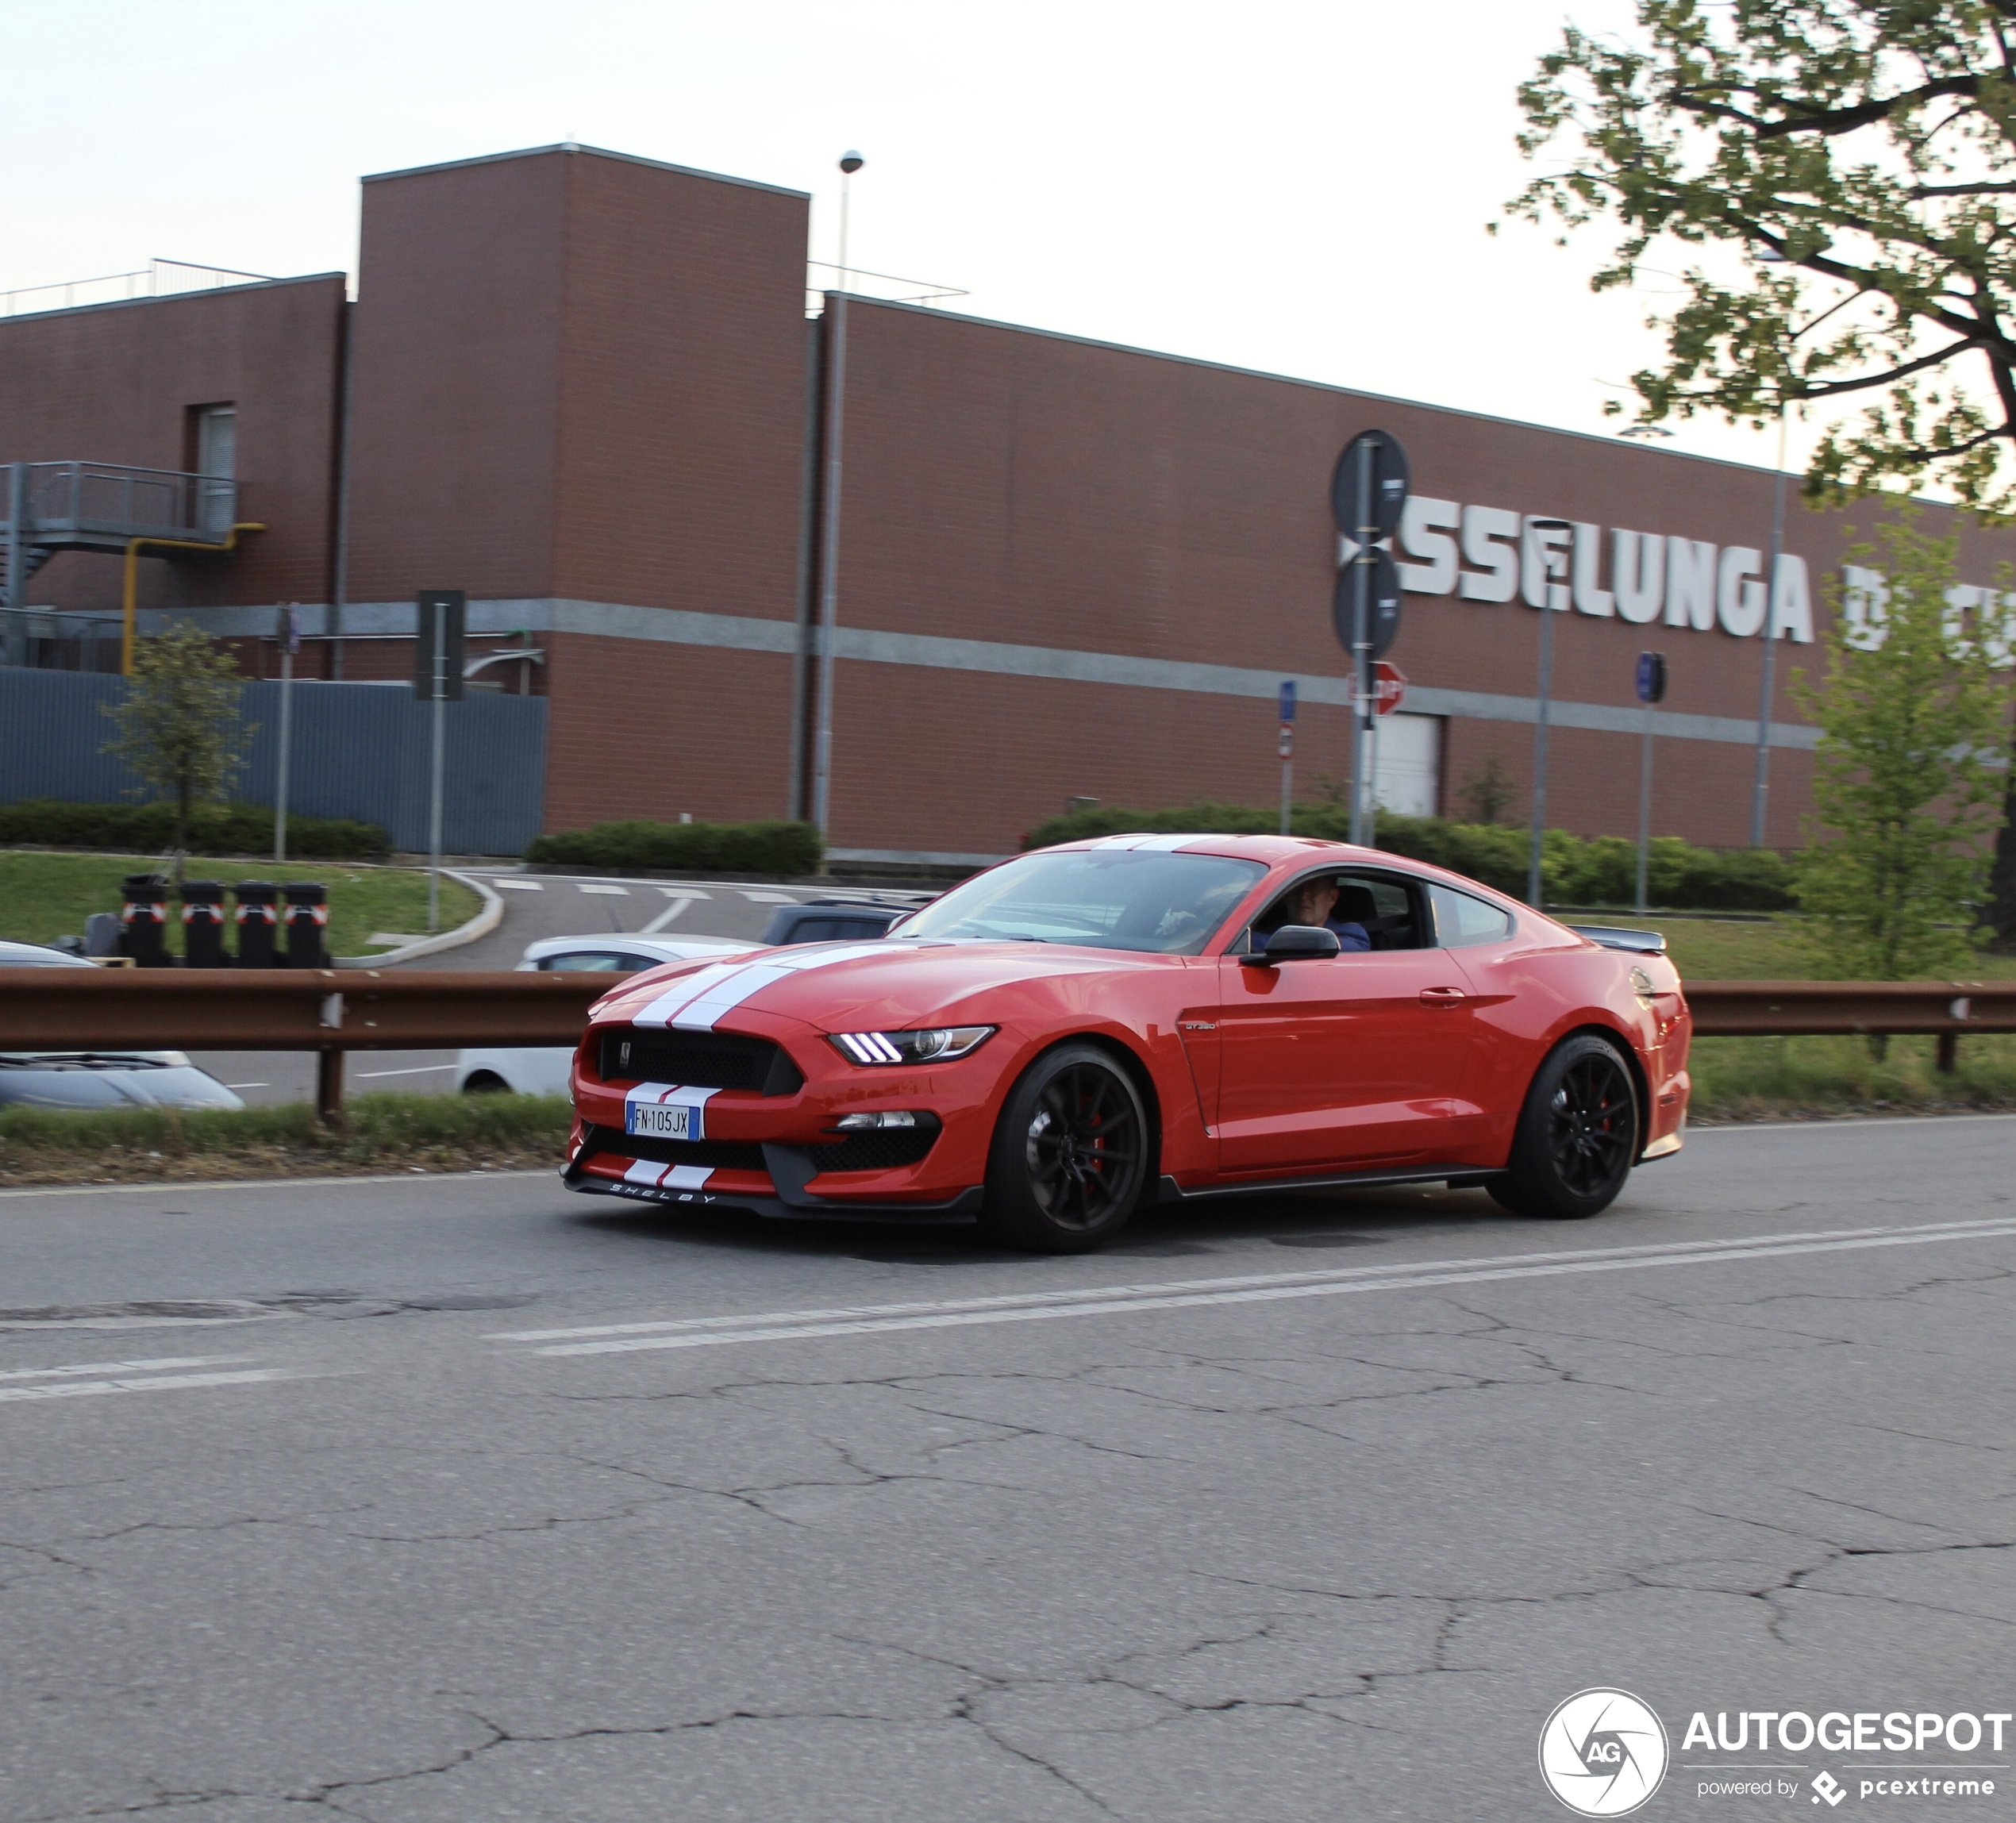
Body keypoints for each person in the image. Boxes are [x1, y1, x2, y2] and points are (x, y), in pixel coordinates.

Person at [1258, 877, 1370, 953]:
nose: (1303, 896)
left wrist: (1248, 941)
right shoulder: (1270, 931)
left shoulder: (1352, 934)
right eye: (1296, 888)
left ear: (1332, 897)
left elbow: (1315, 945)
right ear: (1286, 896)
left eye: (1314, 889)